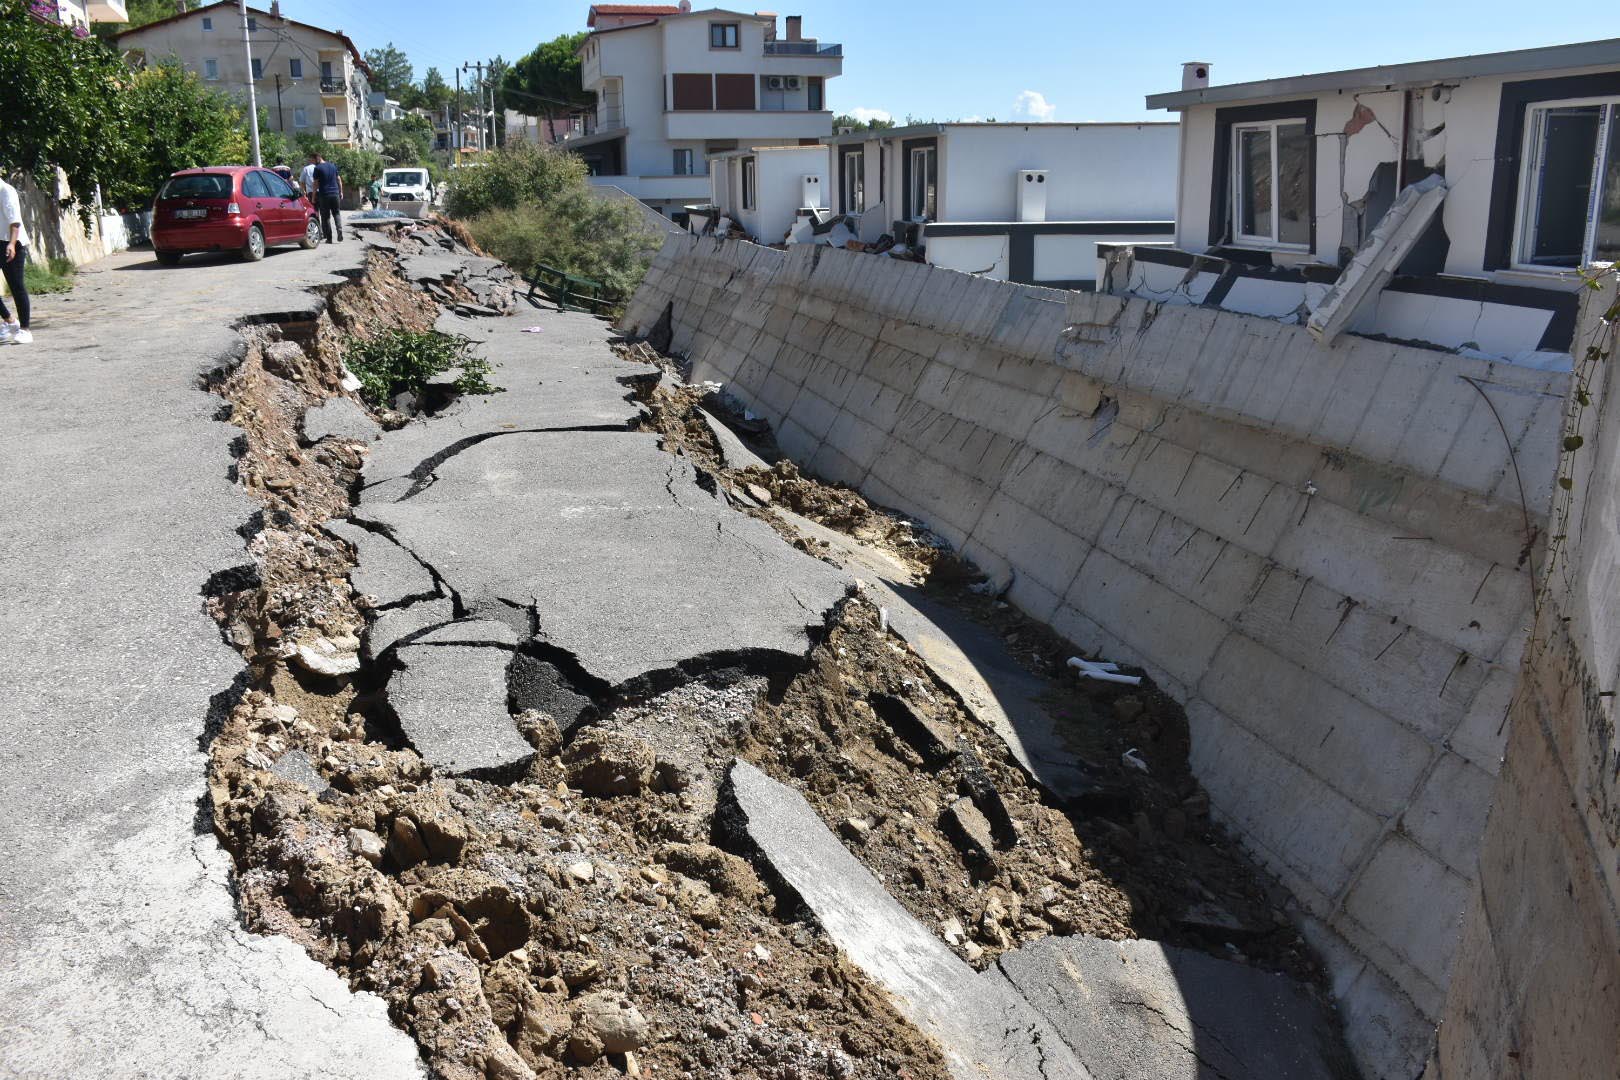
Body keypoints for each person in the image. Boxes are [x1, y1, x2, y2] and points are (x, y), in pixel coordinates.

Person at [0, 174, 31, 346]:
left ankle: (25, 330)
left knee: (16, 286)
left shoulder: (6, 190)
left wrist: (11, 244)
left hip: (12, 244)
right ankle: (9, 320)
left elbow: (15, 221)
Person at [308, 151, 344, 243]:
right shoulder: (332, 165)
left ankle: (329, 238)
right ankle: (339, 231)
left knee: (326, 217)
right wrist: (341, 191)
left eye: (312, 160)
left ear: (317, 158)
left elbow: (315, 183)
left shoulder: (318, 168)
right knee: (336, 213)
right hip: (335, 193)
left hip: (324, 195)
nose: (312, 162)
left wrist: (313, 196)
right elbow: (339, 179)